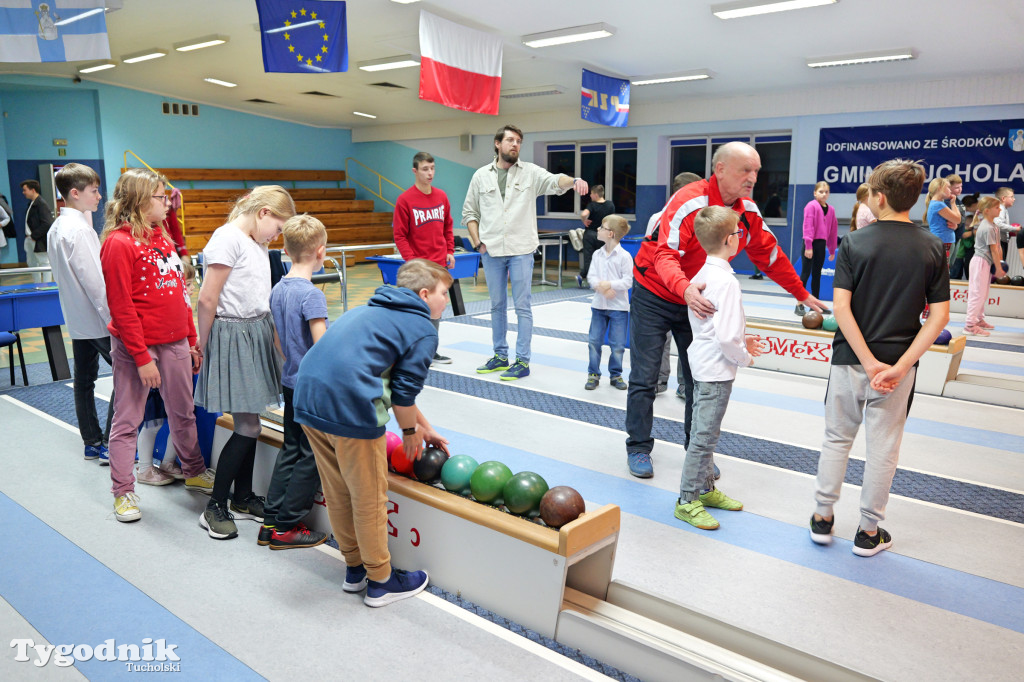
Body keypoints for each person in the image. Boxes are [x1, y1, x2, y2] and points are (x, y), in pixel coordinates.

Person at [625, 141, 823, 479]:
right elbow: (664, 255)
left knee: (698, 381)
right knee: (645, 378)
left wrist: (802, 294)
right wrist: (684, 288)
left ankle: (696, 452)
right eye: (745, 170)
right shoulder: (689, 200)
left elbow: (769, 255)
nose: (753, 178)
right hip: (656, 293)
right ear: (719, 169)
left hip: (697, 300)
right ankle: (639, 447)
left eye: (757, 171)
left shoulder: (746, 212)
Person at [810, 159, 950, 558]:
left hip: (848, 360)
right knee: (884, 448)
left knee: (837, 438)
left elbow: (841, 308)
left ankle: (822, 517)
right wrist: (900, 366)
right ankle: (868, 531)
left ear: (879, 197)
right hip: (897, 367)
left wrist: (867, 361)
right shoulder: (931, 246)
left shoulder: (855, 241)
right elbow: (938, 316)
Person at [293, 259, 452, 607]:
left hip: (307, 400)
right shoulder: (423, 328)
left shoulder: (367, 309)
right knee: (369, 498)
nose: (446, 300)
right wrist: (409, 431)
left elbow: (392, 383)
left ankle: (354, 570)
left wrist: (423, 428)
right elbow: (405, 391)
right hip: (349, 407)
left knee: (337, 491)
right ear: (424, 294)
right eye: (444, 293)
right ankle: (380, 580)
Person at [99, 168, 215, 522]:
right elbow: (122, 308)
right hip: (138, 348)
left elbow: (180, 295)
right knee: (128, 418)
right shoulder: (117, 244)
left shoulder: (160, 236)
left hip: (176, 341)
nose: (168, 203)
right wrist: (141, 357)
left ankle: (193, 469)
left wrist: (192, 340)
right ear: (137, 201)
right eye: (161, 197)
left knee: (182, 411)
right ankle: (123, 492)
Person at [195, 186, 294, 540]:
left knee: (249, 419)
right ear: (263, 212)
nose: (277, 234)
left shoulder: (257, 241)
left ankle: (243, 496)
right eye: (278, 226)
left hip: (255, 331)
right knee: (249, 426)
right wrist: (201, 344)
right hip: (232, 335)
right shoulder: (227, 238)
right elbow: (208, 299)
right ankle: (215, 505)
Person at [463, 124, 589, 381]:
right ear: (497, 144)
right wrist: (477, 243)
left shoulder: (530, 172)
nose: (515, 145)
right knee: (497, 306)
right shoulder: (480, 176)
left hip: (521, 250)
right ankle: (500, 355)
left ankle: (522, 360)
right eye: (510, 140)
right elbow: (469, 213)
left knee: (523, 306)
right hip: (492, 250)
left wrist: (573, 181)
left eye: (519, 141)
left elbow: (556, 181)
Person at [673, 206, 762, 530]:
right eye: (738, 233)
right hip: (716, 369)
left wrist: (740, 341)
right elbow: (725, 337)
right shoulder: (725, 281)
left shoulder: (704, 274)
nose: (740, 238)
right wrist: (745, 356)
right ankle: (686, 500)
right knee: (704, 437)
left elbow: (719, 328)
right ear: (729, 240)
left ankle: (706, 489)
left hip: (704, 363)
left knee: (705, 430)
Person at [261, 214, 330, 550]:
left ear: (285, 250)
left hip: (289, 379)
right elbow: (322, 347)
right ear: (320, 252)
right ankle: (287, 525)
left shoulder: (278, 289)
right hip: (310, 386)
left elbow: (277, 341)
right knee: (311, 454)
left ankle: (271, 520)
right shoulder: (312, 295)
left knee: (291, 448)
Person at [46, 163, 114, 464]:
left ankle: (91, 442)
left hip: (76, 318)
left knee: (84, 381)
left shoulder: (56, 228)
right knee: (129, 378)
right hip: (97, 319)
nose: (99, 196)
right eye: (94, 191)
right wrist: (114, 319)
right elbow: (95, 283)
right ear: (75, 194)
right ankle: (112, 442)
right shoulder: (80, 230)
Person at [393, 151, 455, 365]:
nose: (430, 173)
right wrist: (412, 262)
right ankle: (411, 352)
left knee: (436, 310)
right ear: (415, 171)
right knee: (416, 310)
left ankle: (431, 351)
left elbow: (448, 226)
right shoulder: (405, 200)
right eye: (425, 169)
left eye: (432, 168)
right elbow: (399, 235)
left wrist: (450, 250)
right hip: (418, 267)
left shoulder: (441, 197)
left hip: (439, 264)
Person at [647, 172, 702, 398]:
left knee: (688, 339)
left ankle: (683, 384)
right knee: (663, 337)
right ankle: (661, 380)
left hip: (690, 289)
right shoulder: (658, 218)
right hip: (663, 289)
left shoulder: (702, 220)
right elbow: (652, 255)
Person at [585, 214, 632, 391]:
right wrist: (602, 287)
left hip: (618, 308)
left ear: (610, 233)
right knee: (594, 341)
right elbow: (591, 277)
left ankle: (616, 374)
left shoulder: (624, 256)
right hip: (598, 306)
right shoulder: (597, 254)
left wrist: (610, 285)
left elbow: (628, 281)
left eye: (602, 227)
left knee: (618, 345)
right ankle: (593, 374)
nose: (598, 229)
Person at [964, 197, 1005, 337]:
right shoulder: (986, 227)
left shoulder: (992, 225)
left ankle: (979, 319)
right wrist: (999, 268)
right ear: (987, 210)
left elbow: (998, 247)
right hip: (980, 262)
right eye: (997, 208)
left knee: (983, 294)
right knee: (977, 294)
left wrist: (1000, 262)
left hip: (985, 263)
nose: (1000, 209)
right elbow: (993, 250)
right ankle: (969, 325)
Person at [795, 181, 837, 316]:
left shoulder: (831, 210)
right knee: (805, 274)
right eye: (821, 192)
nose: (824, 194)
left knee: (817, 274)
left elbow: (832, 230)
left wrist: (831, 249)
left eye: (826, 192)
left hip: (821, 245)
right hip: (810, 244)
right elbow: (808, 227)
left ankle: (816, 305)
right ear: (815, 193)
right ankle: (799, 304)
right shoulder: (811, 206)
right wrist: (808, 246)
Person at [577, 185, 615, 288]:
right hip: (604, 235)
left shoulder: (592, 205)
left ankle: (589, 279)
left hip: (590, 234)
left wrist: (584, 220)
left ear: (596, 194)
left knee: (589, 257)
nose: (590, 195)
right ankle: (601, 279)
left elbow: (584, 214)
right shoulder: (610, 205)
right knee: (603, 257)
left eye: (591, 194)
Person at [21, 179, 54, 283]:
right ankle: (37, 285)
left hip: (37, 239)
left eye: (25, 190)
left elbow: (47, 223)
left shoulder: (41, 204)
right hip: (31, 239)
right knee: (32, 263)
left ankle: (46, 285)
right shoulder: (33, 203)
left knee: (44, 263)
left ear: (33, 190)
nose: (23, 192)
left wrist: (34, 236)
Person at [923, 177, 960, 266]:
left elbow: (955, 222)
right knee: (943, 270)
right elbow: (958, 219)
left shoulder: (937, 204)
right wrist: (953, 203)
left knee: (943, 269)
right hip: (943, 241)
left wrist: (955, 225)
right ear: (940, 188)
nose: (950, 190)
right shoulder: (938, 205)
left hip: (943, 240)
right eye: (948, 187)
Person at [950, 193, 980, 281]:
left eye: (967, 209)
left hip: (978, 245)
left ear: (972, 205)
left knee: (969, 268)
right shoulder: (976, 215)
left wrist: (972, 232)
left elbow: (976, 230)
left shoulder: (980, 213)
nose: (967, 211)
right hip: (973, 245)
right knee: (964, 268)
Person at [993, 187, 1015, 259]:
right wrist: (1013, 229)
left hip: (1001, 241)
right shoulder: (1000, 208)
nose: (1014, 199)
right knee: (999, 267)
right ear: (1003, 198)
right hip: (998, 242)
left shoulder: (1003, 209)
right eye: (1011, 197)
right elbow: (997, 224)